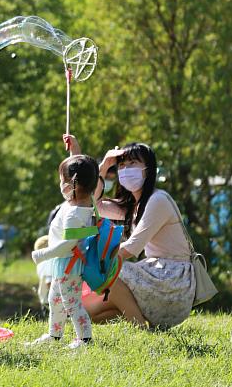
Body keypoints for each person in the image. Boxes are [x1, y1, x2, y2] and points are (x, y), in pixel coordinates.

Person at [67, 135, 195, 328]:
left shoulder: (158, 199)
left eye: (133, 163)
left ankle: (140, 328)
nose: (126, 169)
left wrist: (92, 261)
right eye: (122, 165)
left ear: (148, 170)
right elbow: (93, 204)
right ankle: (136, 318)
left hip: (174, 283)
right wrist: (104, 165)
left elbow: (131, 248)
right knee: (87, 308)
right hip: (155, 278)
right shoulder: (133, 206)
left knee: (113, 268)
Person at [28, 152, 98, 349]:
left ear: (71, 185)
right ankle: (54, 334)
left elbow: (69, 244)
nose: (60, 184)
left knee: (71, 302)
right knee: (55, 299)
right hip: (64, 264)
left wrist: (43, 254)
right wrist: (74, 151)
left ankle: (85, 339)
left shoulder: (75, 213)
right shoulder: (79, 203)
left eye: (62, 180)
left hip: (69, 264)